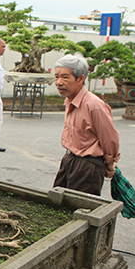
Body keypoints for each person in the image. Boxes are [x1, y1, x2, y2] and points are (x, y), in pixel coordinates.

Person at [53, 55, 119, 196]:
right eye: (56, 77)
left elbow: (109, 138)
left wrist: (110, 163)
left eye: (65, 77)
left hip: (88, 166)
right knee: (57, 203)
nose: (58, 82)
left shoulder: (94, 105)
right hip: (69, 159)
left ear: (80, 79)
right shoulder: (69, 100)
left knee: (79, 209)